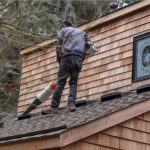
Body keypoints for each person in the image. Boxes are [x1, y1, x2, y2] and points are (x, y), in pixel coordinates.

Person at [49, 20, 89, 113]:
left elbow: (58, 48)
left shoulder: (63, 31)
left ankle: (54, 107)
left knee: (61, 82)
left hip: (67, 57)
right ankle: (71, 104)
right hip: (78, 59)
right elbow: (88, 46)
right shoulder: (82, 32)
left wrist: (59, 61)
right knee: (73, 82)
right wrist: (81, 58)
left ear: (64, 26)